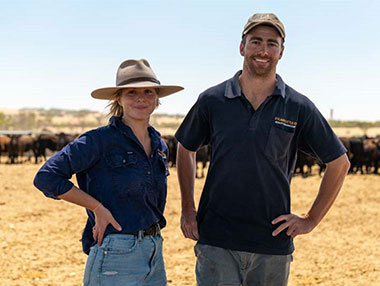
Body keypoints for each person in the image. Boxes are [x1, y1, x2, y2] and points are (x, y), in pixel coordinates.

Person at [175, 13, 350, 286]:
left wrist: (310, 219)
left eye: (272, 43)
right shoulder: (212, 100)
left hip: (272, 245)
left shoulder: (298, 106)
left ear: (282, 51)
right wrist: (188, 208)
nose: (263, 50)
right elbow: (185, 148)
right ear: (242, 46)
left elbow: (339, 162)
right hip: (217, 241)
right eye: (256, 41)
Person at [33, 59, 183, 286]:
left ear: (156, 98)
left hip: (154, 248)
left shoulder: (159, 144)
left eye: (148, 91)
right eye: (131, 92)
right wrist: (96, 207)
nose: (141, 98)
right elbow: (46, 177)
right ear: (118, 98)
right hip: (115, 252)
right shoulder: (98, 140)